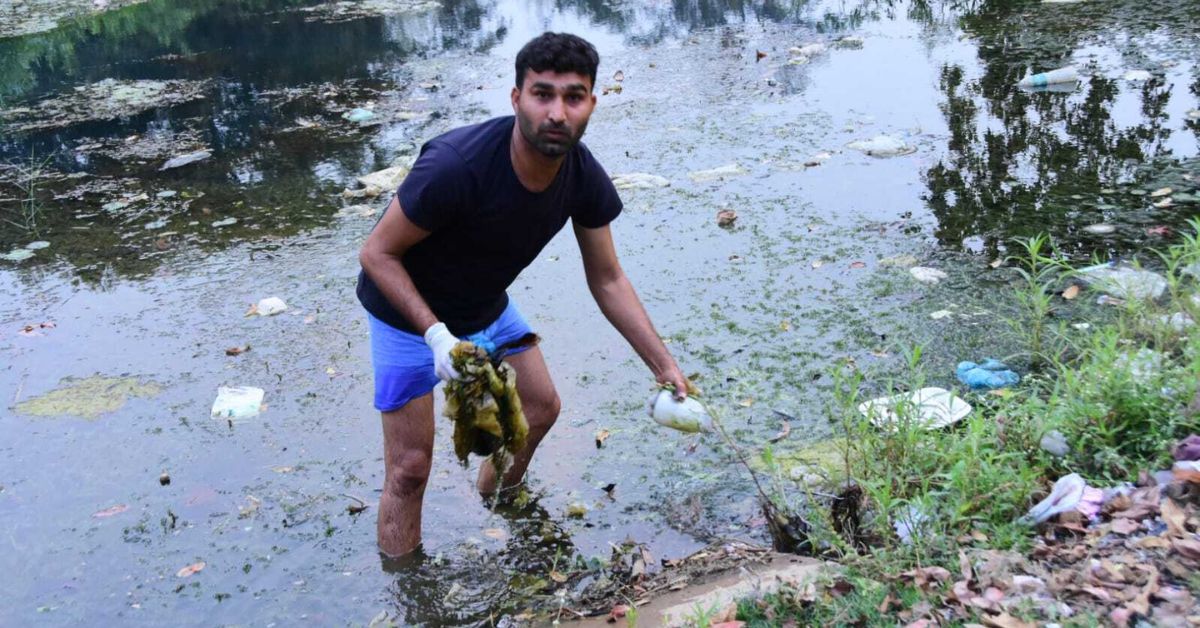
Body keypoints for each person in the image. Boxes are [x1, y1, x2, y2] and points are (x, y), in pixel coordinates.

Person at [357, 32, 689, 557]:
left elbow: (607, 278)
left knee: (541, 408)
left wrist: (662, 363)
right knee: (410, 467)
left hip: (484, 300)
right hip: (405, 312)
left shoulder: (581, 174)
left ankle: (498, 498)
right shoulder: (456, 166)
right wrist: (437, 336)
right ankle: (408, 589)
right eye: (543, 94)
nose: (557, 111)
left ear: (591, 105)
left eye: (573, 96)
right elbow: (376, 254)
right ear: (516, 99)